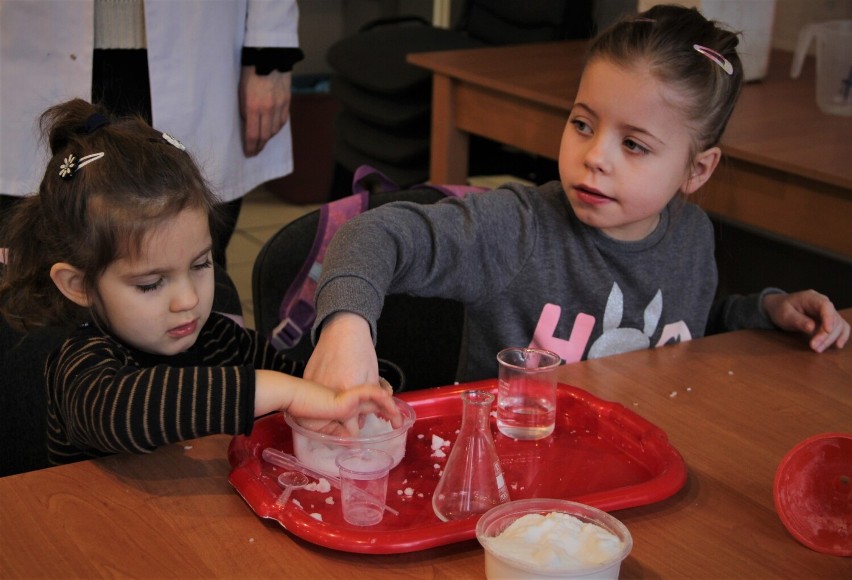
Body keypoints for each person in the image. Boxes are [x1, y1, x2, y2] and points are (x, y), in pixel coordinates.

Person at [303, 4, 850, 390]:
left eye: (634, 144)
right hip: (516, 487)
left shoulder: (690, 236)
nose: (596, 156)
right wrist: (347, 326)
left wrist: (766, 310)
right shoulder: (517, 229)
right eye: (583, 124)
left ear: (697, 170)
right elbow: (371, 234)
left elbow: (690, 328)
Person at [0, 99, 399, 466]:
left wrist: (356, 387)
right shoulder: (82, 365)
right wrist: (285, 392)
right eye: (151, 284)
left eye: (201, 264)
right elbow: (123, 413)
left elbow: (308, 383)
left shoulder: (220, 339)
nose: (188, 299)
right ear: (79, 284)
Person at [0, 0, 303, 266]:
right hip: (28, 54)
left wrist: (271, 49)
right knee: (30, 269)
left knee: (191, 257)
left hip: (201, 50)